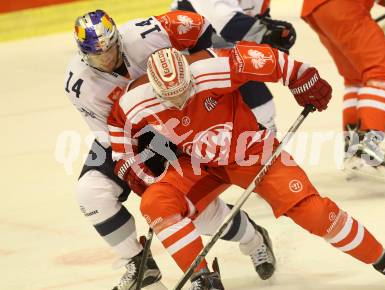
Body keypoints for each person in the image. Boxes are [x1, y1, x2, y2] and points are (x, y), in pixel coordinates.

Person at [108, 44, 385, 289]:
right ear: (154, 86)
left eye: (184, 93)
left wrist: (301, 76)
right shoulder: (136, 99)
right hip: (198, 163)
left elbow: (269, 59)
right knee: (155, 203)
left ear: (190, 75)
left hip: (253, 151)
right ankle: (203, 280)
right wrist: (126, 163)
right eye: (170, 97)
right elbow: (119, 124)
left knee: (316, 213)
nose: (179, 102)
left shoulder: (213, 67)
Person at [65, 10, 275, 290]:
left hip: (186, 117)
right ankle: (140, 265)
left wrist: (205, 70)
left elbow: (196, 25)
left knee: (198, 215)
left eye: (110, 49)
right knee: (90, 192)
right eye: (96, 56)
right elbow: (111, 136)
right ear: (82, 54)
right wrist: (140, 175)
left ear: (117, 38)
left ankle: (253, 238)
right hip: (133, 135)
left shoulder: (144, 34)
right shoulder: (79, 85)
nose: (106, 59)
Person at [300, 0, 385, 182]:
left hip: (317, 9)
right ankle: (367, 146)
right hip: (344, 6)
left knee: (356, 76)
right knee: (381, 70)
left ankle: (354, 150)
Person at [172, 0, 297, 132]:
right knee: (203, 119)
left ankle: (262, 144)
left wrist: (274, 37)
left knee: (261, 106)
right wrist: (267, 34)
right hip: (190, 53)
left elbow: (257, 18)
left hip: (222, 49)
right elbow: (229, 24)